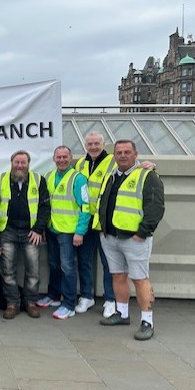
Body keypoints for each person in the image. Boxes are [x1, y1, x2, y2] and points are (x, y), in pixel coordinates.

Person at [75, 131, 156, 318]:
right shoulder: (80, 163)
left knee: (110, 266)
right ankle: (87, 296)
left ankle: (111, 301)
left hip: (109, 224)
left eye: (97, 143)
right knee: (85, 261)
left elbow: (135, 169)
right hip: (88, 220)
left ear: (104, 145)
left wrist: (151, 165)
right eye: (90, 144)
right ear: (85, 146)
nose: (93, 147)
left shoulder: (114, 160)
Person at [96, 140, 164, 341]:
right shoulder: (111, 176)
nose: (122, 155)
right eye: (119, 152)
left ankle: (147, 321)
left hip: (135, 239)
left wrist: (143, 232)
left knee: (140, 279)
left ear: (136, 154)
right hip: (110, 236)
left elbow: (155, 207)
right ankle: (122, 314)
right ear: (114, 156)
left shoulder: (148, 176)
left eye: (127, 152)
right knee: (118, 276)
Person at [0, 150, 50, 320]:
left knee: (33, 270)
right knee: (8, 270)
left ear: (28, 164)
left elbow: (45, 207)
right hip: (7, 231)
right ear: (11, 163)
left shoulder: (39, 180)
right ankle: (12, 303)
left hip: (30, 232)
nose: (19, 166)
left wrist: (39, 229)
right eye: (16, 162)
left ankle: (30, 302)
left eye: (23, 163)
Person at [39, 146, 90, 320]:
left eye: (64, 157)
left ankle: (69, 304)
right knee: (53, 264)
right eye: (58, 157)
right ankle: (54, 295)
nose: (61, 160)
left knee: (68, 267)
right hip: (53, 228)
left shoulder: (79, 179)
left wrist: (80, 232)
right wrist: (45, 227)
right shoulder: (49, 176)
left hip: (69, 232)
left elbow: (85, 207)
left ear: (71, 158)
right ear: (54, 159)